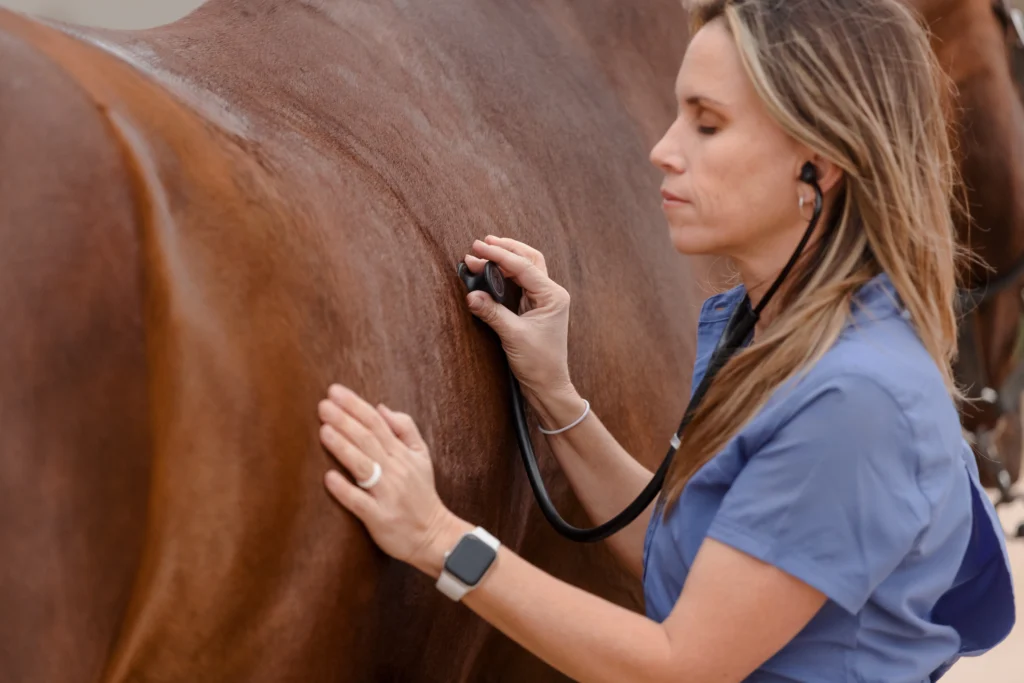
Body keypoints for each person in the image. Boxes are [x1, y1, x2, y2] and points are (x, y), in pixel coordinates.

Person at [315, 0, 1015, 680]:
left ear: (820, 164)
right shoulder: (765, 326)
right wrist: (556, 394)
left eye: (707, 125)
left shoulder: (856, 400)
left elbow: (680, 664)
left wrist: (438, 539)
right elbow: (690, 557)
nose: (663, 150)